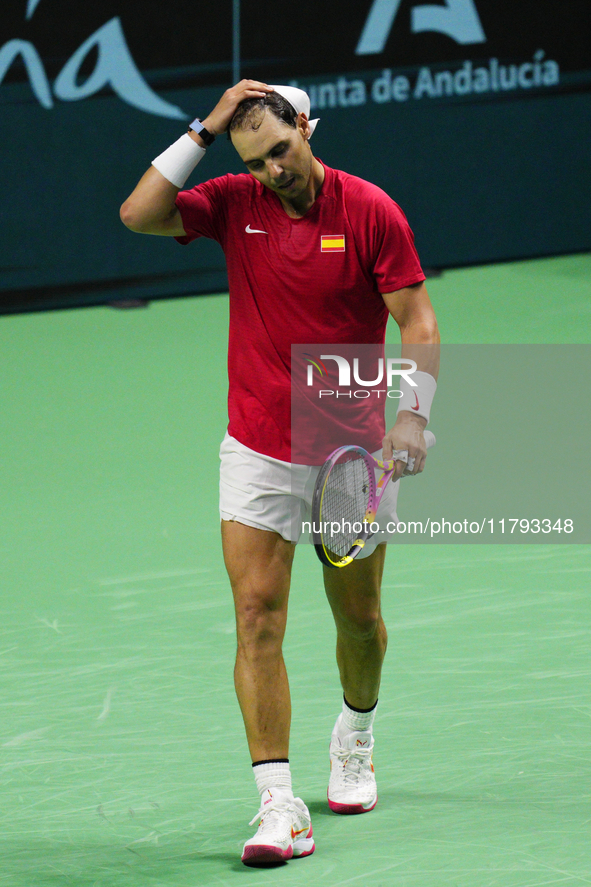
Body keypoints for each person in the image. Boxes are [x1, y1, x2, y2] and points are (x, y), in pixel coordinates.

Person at [120, 80, 440, 867]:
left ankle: (355, 734)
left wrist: (412, 415)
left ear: (305, 128)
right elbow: (138, 214)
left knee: (357, 619)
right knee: (257, 616)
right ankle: (277, 804)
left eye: (280, 151)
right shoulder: (232, 202)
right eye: (255, 160)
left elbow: (418, 320)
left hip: (352, 455)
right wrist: (204, 127)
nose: (272, 171)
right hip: (258, 446)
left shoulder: (369, 210)